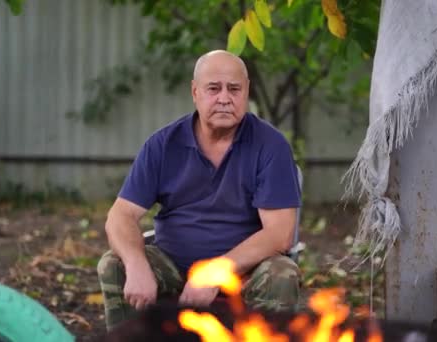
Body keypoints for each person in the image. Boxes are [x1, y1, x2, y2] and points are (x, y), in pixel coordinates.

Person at [97, 50, 302, 331]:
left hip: (242, 272)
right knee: (114, 264)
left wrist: (214, 273)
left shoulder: (270, 145)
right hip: (173, 264)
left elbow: (280, 234)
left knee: (282, 273)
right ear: (195, 92)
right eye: (213, 88)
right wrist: (136, 265)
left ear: (246, 92)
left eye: (234, 89)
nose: (224, 98)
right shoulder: (163, 144)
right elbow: (120, 215)